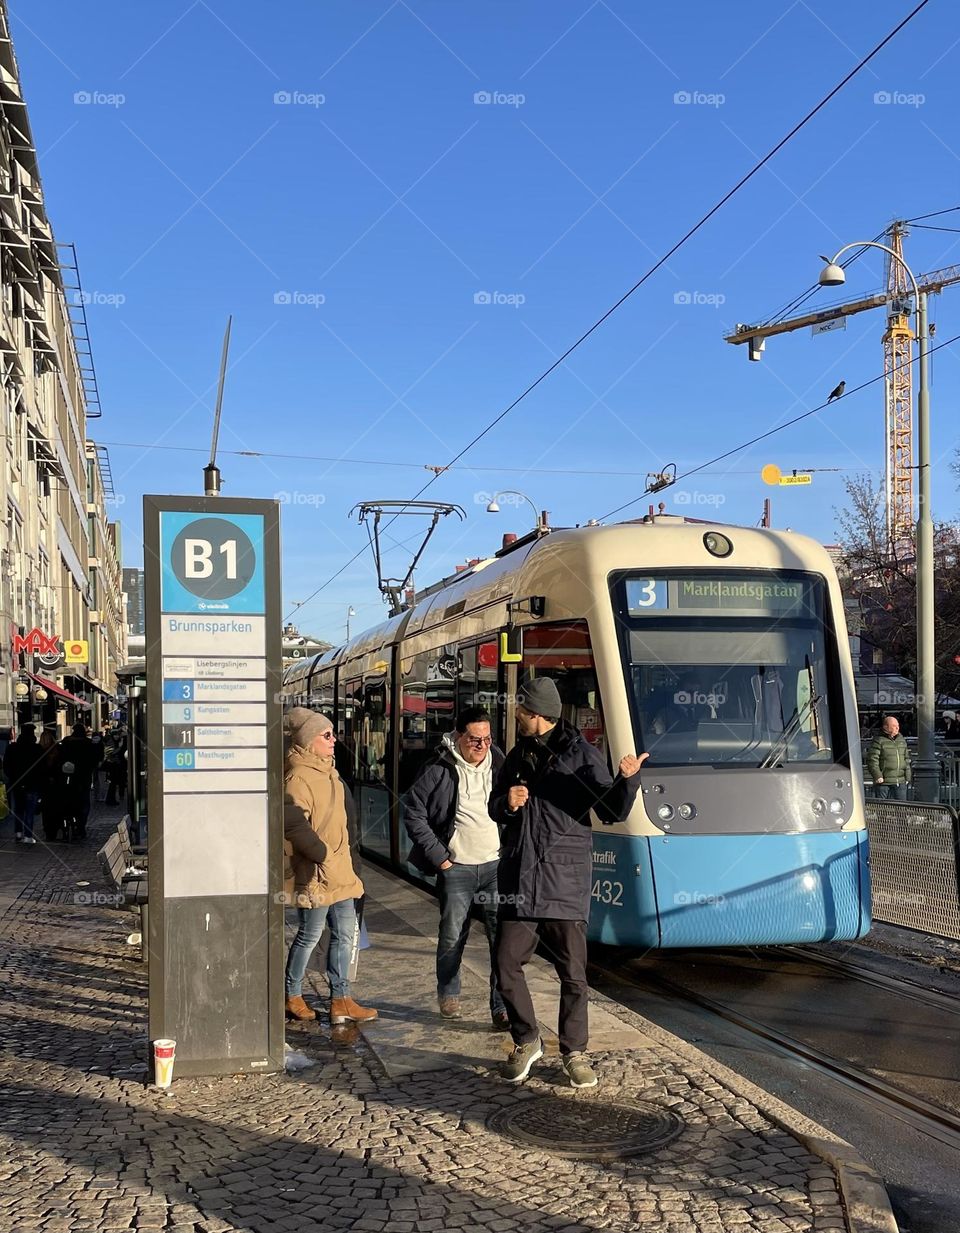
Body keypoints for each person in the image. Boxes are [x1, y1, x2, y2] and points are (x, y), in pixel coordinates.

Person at [490, 677, 648, 1089]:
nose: (517, 717)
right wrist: (506, 803)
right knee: (506, 965)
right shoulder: (517, 755)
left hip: (564, 880)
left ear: (536, 714)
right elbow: (495, 805)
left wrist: (627, 780)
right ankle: (527, 1040)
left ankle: (574, 1053)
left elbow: (610, 809)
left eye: (521, 711)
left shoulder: (581, 755)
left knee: (573, 975)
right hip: (520, 878)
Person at [403, 705, 509, 1029]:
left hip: (494, 867)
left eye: (487, 739)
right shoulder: (439, 767)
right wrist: (440, 858)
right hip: (457, 869)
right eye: (475, 739)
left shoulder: (501, 764)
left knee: (501, 941)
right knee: (451, 936)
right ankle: (449, 992)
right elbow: (413, 813)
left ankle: (501, 1006)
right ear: (458, 736)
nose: (482, 746)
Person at [282, 707, 378, 1026]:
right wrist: (322, 853)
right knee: (310, 935)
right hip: (317, 873)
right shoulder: (298, 776)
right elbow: (294, 824)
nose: (334, 739)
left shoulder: (329, 771)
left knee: (345, 935)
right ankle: (292, 995)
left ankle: (341, 999)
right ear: (310, 741)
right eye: (327, 735)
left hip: (340, 871)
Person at [3, 724, 44, 844]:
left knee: (18, 809)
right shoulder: (37, 749)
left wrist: (12, 777)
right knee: (29, 811)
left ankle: (18, 832)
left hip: (16, 783)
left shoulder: (12, 748)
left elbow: (6, 765)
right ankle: (28, 835)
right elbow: (41, 768)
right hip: (32, 784)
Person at [58, 723, 98, 841]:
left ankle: (67, 828)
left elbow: (60, 758)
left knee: (67, 804)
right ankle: (80, 827)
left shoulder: (66, 742)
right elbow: (94, 760)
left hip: (67, 778)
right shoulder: (88, 743)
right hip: (83, 779)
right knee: (83, 803)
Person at [866, 714, 912, 800]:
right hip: (884, 782)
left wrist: (908, 776)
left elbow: (906, 759)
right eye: (894, 726)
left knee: (902, 808)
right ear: (886, 727)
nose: (897, 728)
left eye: (898, 725)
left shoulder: (901, 740)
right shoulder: (879, 740)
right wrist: (878, 776)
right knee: (883, 808)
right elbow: (872, 760)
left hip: (900, 781)